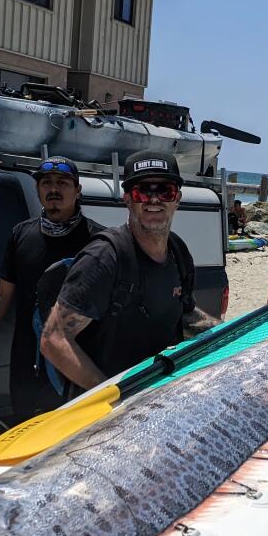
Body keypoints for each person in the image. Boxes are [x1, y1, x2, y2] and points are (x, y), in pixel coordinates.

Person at [41, 151, 220, 393]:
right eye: (142, 191)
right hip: (111, 406)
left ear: (177, 199)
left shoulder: (179, 252)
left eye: (164, 191)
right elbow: (53, 339)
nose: (153, 200)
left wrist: (230, 334)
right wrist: (111, 394)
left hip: (159, 393)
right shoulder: (104, 257)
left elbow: (185, 314)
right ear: (127, 199)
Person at [0, 156, 104, 420]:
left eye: (63, 182)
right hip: (26, 365)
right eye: (46, 183)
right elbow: (2, 293)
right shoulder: (21, 235)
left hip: (75, 363)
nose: (54, 189)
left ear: (78, 190)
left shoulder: (98, 241)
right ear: (38, 190)